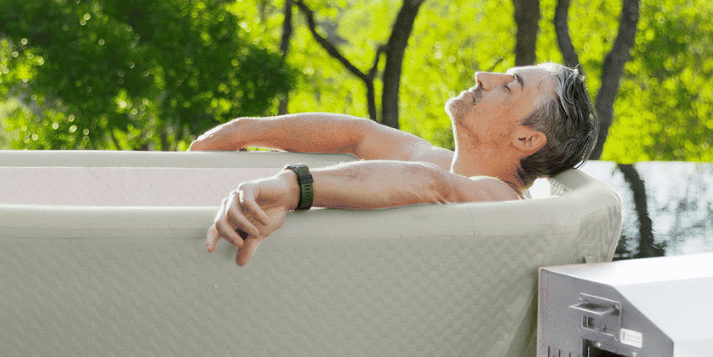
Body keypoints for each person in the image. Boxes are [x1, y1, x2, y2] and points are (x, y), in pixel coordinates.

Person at [190, 62, 598, 266]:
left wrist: (294, 187)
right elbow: (357, 135)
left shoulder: (500, 199)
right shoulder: (445, 165)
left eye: (508, 86)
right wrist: (242, 131)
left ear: (526, 139)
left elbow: (429, 184)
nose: (482, 76)